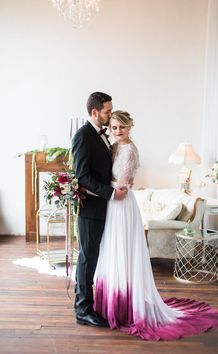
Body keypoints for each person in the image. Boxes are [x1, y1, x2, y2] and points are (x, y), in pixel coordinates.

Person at [94, 110, 218, 340]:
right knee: (114, 251)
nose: (117, 131)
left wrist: (95, 186)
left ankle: (125, 305)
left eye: (121, 127)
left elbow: (122, 185)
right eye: (113, 127)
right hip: (113, 204)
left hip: (122, 206)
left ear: (130, 127)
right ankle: (114, 302)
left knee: (123, 251)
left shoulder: (130, 150)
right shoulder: (115, 147)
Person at [72, 92, 128, 327]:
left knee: (94, 256)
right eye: (107, 111)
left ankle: (90, 304)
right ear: (94, 112)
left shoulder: (101, 135)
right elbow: (82, 177)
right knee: (87, 257)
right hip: (91, 209)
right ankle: (83, 309)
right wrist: (112, 193)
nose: (110, 114)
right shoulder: (83, 136)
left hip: (103, 207)